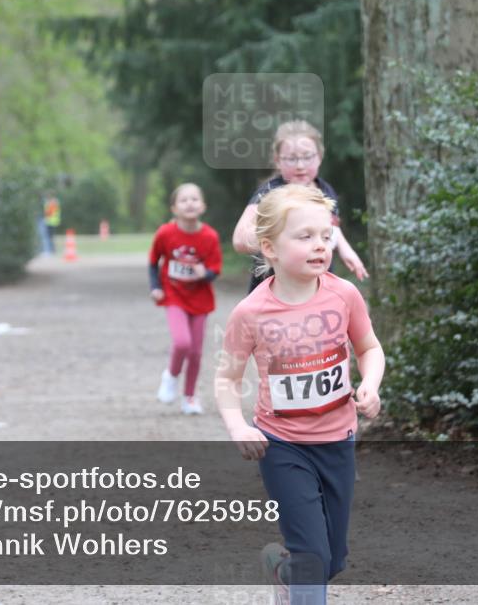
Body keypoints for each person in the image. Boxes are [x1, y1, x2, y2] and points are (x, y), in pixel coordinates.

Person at [216, 184, 385, 605]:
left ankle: (281, 569)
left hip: (338, 442)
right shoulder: (250, 312)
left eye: (326, 236)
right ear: (269, 248)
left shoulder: (343, 294)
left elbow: (369, 348)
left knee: (332, 559)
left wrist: (370, 384)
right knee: (313, 557)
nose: (320, 246)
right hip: (282, 445)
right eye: (305, 236)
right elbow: (227, 378)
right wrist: (238, 426)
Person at [232, 120, 368, 294]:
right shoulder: (270, 192)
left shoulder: (325, 190)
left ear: (320, 156)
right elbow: (239, 240)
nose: (300, 165)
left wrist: (345, 249)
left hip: (319, 287)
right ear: (277, 160)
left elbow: (330, 226)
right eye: (291, 158)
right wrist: (282, 235)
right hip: (275, 292)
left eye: (307, 156)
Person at [149, 183, 222, 414]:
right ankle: (171, 376)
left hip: (200, 299)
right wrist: (155, 287)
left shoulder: (210, 236)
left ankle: (190, 397)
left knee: (196, 352)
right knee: (182, 342)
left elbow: (215, 269)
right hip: (173, 295)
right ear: (174, 208)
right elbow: (154, 261)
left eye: (194, 199)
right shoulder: (165, 233)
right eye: (184, 200)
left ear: (203, 206)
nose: (189, 203)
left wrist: (205, 274)